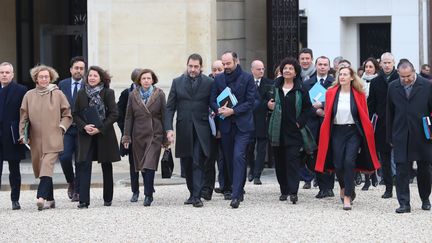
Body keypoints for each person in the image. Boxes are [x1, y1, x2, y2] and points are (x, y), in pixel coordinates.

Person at [315, 66, 380, 210]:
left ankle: (347, 196)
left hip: (353, 131)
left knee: (349, 161)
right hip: (337, 131)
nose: (342, 77)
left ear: (351, 77)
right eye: (340, 74)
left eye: (345, 75)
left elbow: (364, 114)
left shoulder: (359, 94)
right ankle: (344, 186)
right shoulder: (331, 93)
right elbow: (328, 113)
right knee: (338, 164)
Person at [19, 64, 72, 210]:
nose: (44, 79)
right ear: (36, 78)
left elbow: (67, 114)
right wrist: (22, 134)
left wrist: (62, 127)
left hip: (54, 137)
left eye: (46, 77)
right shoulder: (29, 95)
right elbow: (23, 117)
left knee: (47, 166)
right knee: (41, 168)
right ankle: (51, 199)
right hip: (35, 139)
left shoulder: (58, 94)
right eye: (41, 77)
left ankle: (41, 197)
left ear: (51, 78)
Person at [165, 53, 214, 207]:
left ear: (201, 67)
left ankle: (196, 196)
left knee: (197, 161)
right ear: (187, 66)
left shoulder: (209, 82)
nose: (193, 69)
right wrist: (169, 129)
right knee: (186, 162)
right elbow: (169, 108)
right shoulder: (177, 82)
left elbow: (214, 103)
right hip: (184, 127)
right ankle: (192, 192)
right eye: (190, 66)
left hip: (202, 128)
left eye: (196, 67)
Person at [210, 51, 256, 208]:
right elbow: (212, 100)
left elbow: (251, 102)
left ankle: (235, 195)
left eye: (228, 63)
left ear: (236, 61)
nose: (225, 66)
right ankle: (238, 188)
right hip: (226, 126)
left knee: (238, 156)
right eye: (223, 64)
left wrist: (233, 111)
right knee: (230, 160)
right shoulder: (219, 79)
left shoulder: (247, 78)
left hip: (243, 126)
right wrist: (219, 109)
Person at [387, 60, 432, 213]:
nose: (406, 80)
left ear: (414, 72)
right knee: (401, 169)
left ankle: (425, 198)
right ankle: (404, 203)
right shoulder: (393, 87)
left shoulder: (427, 85)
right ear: (398, 73)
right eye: (403, 76)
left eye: (409, 76)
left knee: (424, 169)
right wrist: (390, 136)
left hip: (422, 134)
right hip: (401, 134)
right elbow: (389, 113)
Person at [267, 57, 313, 204]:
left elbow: (308, 109)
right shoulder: (274, 87)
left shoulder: (301, 89)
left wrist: (299, 122)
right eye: (285, 68)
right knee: (280, 163)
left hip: (294, 131)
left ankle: (293, 191)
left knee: (292, 162)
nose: (287, 70)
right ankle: (284, 190)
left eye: (290, 68)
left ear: (295, 72)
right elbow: (263, 102)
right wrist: (267, 105)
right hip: (277, 131)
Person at [73, 66, 120, 209]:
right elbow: (75, 114)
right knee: (84, 165)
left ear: (101, 78)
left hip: (104, 134)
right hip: (86, 135)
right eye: (90, 75)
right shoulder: (81, 93)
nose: (92, 78)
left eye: (95, 76)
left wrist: (100, 128)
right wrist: (84, 127)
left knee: (106, 165)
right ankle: (83, 200)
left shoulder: (108, 92)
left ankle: (107, 198)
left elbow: (114, 114)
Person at [122, 69, 167, 206]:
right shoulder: (133, 95)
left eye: (149, 78)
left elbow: (165, 115)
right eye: (143, 78)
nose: (146, 81)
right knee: (142, 165)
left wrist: (166, 137)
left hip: (155, 134)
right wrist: (126, 137)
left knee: (150, 164)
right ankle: (148, 190)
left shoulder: (159, 94)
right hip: (138, 135)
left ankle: (148, 194)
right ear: (139, 81)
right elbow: (129, 116)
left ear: (153, 80)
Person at [367, 52, 399, 198]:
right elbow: (371, 105)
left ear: (394, 63)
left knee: (400, 158)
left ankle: (401, 186)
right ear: (380, 64)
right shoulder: (375, 82)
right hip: (382, 125)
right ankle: (388, 188)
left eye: (389, 63)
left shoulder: (400, 79)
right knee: (385, 159)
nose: (386, 65)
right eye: (384, 63)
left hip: (399, 123)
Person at [303, 56, 335, 199]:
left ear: (329, 67)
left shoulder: (334, 83)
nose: (322, 67)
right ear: (315, 66)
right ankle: (322, 187)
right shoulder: (308, 83)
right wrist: (316, 110)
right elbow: (304, 104)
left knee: (330, 155)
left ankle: (330, 187)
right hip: (313, 125)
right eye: (320, 64)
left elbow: (337, 101)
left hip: (330, 123)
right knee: (316, 156)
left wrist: (322, 105)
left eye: (325, 65)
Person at [58, 56, 86, 202]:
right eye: (76, 68)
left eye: (81, 68)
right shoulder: (62, 84)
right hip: (67, 129)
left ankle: (79, 191)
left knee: (81, 161)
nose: (79, 71)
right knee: (64, 157)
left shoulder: (88, 85)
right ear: (70, 70)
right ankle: (71, 182)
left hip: (82, 129)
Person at [0, 62, 27, 210]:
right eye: (1, 72)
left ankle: (15, 199)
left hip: (12, 134)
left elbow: (25, 113)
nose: (4, 75)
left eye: (7, 72)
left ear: (12, 74)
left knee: (14, 170)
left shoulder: (21, 90)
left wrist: (23, 133)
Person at [247, 59, 274, 185]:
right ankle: (252, 169)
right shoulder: (247, 82)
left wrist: (266, 105)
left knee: (262, 149)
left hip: (263, 120)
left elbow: (271, 101)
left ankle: (257, 174)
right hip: (249, 120)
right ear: (252, 70)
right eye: (259, 69)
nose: (261, 71)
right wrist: (265, 104)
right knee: (249, 148)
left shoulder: (269, 83)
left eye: (263, 69)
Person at [117, 68, 141, 202]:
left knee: (147, 162)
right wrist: (125, 133)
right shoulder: (126, 93)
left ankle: (149, 188)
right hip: (131, 134)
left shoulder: (151, 92)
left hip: (146, 133)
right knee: (133, 164)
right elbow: (119, 114)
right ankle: (135, 190)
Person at [359, 57, 380, 190]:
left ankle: (374, 173)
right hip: (362, 117)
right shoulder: (359, 82)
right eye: (366, 67)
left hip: (374, 118)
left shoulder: (378, 81)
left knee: (374, 147)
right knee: (364, 147)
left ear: (375, 68)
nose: (368, 69)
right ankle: (366, 178)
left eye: (371, 67)